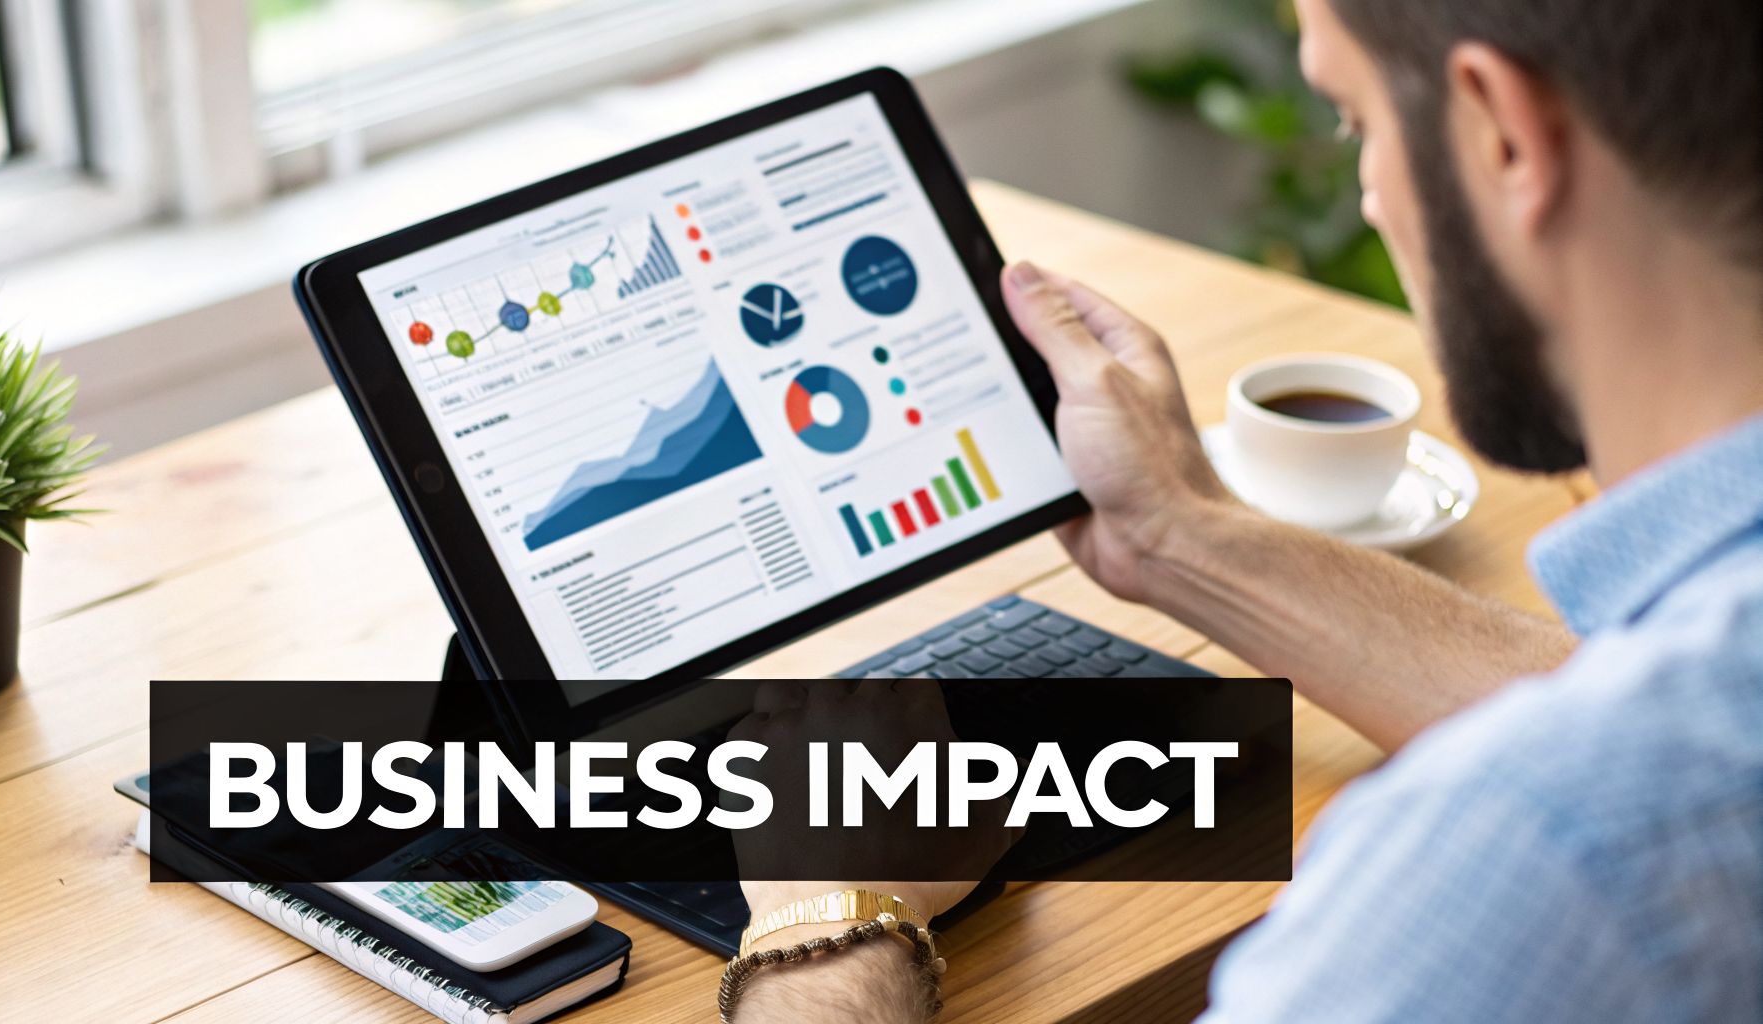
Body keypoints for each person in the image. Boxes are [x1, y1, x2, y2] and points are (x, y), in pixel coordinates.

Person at [727, 0, 1763, 1019]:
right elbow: (1655, 708)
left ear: (1503, 135)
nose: (1369, 197)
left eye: (1354, 121)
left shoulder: (1517, 867)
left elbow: (1604, 788)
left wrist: (832, 902)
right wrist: (1178, 531)